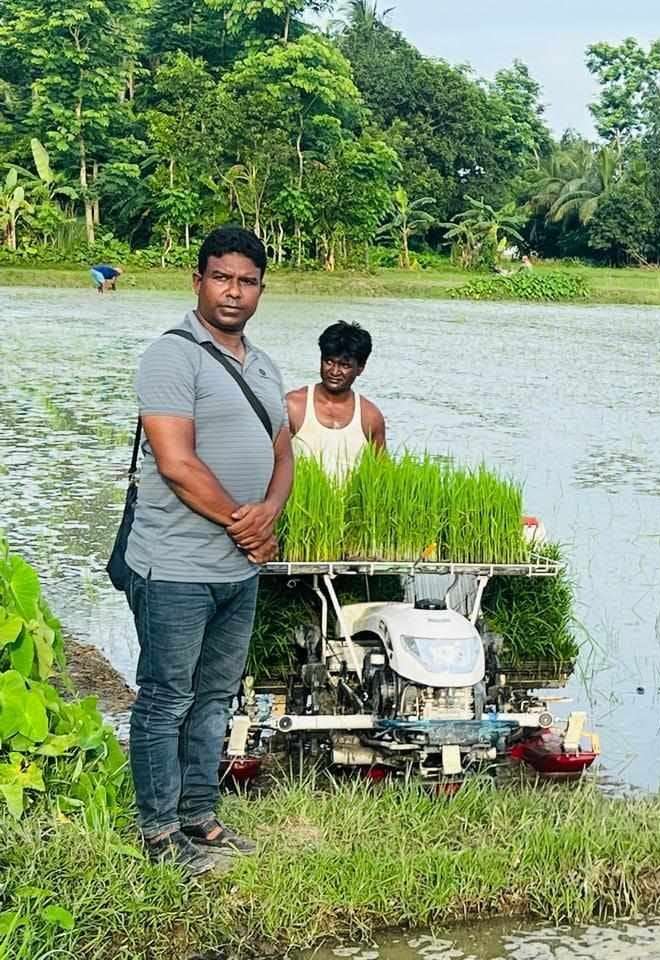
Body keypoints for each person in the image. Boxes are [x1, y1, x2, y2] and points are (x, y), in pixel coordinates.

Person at [124, 226, 293, 876]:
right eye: (221, 277)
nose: (234, 291)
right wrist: (244, 523)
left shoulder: (265, 365)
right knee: (167, 696)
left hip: (236, 570)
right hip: (175, 566)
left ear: (260, 290)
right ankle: (158, 831)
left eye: (247, 281)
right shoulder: (173, 356)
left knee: (215, 698)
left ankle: (200, 815)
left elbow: (283, 452)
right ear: (197, 281)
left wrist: (270, 513)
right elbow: (175, 461)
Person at [287, 320, 386, 477]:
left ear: (360, 368)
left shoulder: (370, 417)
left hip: (349, 501)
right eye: (329, 362)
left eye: (344, 365)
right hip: (299, 501)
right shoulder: (294, 406)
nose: (334, 371)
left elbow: (382, 474)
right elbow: (269, 461)